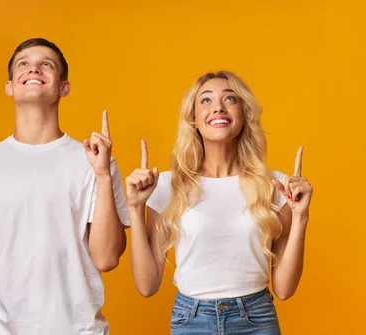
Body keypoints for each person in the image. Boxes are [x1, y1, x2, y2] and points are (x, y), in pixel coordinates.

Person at [0, 38, 129, 335]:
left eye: (45, 64)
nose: (33, 68)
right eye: (23, 64)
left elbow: (106, 258)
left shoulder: (95, 162)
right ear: (9, 86)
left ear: (64, 87)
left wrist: (103, 177)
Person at [125, 71, 313, 334]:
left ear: (244, 115)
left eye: (230, 99)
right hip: (191, 320)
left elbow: (284, 289)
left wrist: (300, 217)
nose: (218, 107)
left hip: (256, 319)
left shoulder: (276, 186)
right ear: (193, 119)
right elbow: (147, 285)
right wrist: (135, 207)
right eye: (206, 100)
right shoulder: (167, 186)